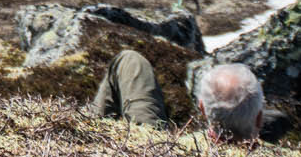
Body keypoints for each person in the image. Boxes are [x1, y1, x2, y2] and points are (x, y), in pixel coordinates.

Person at [89, 51, 274, 144]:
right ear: (259, 118)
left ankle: (90, 134)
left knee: (129, 59)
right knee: (281, 119)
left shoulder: (159, 148)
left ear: (202, 109)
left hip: (153, 144)